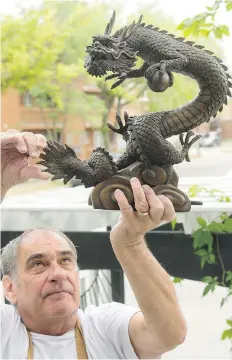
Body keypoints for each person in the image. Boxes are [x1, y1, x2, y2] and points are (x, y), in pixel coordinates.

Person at [0, 129, 187, 359]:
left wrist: (130, 244)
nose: (58, 274)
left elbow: (169, 335)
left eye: (66, 260)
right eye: (38, 264)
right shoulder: (6, 332)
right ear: (9, 288)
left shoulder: (105, 327)